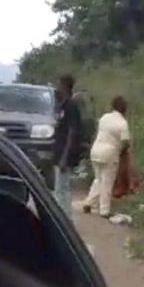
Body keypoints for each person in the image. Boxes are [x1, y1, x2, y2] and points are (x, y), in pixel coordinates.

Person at [82, 95, 131, 218]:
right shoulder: (123, 123)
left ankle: (89, 202)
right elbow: (125, 142)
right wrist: (122, 151)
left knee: (98, 179)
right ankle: (104, 210)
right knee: (107, 182)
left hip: (96, 150)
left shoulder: (104, 117)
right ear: (124, 109)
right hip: (109, 153)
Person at [53, 74, 82, 218]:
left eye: (59, 85)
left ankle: (65, 219)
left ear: (65, 86)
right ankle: (62, 217)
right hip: (59, 152)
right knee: (59, 188)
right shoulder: (63, 105)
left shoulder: (71, 106)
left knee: (62, 189)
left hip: (65, 154)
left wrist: (65, 157)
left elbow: (72, 132)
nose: (57, 88)